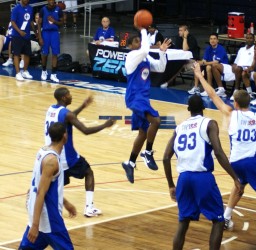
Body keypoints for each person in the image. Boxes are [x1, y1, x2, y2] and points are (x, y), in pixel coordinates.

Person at [194, 62, 256, 247]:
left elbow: (211, 94)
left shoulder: (229, 113)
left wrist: (200, 76)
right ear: (250, 103)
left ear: (234, 103)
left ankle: (225, 217)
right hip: (251, 161)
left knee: (239, 186)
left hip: (234, 163)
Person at [163, 94, 242, 250]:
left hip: (183, 178)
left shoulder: (179, 128)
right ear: (204, 108)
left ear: (188, 109)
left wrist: (171, 185)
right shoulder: (209, 124)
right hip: (202, 177)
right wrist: (235, 177)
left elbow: (165, 158)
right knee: (218, 220)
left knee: (183, 222)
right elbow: (218, 152)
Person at [44, 87, 115, 216]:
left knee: (54, 183)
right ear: (64, 97)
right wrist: (105, 125)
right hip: (67, 156)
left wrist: (82, 106)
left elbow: (69, 116)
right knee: (88, 172)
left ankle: (45, 202)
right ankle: (89, 207)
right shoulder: (67, 114)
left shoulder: (51, 110)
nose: (71, 96)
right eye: (69, 95)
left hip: (51, 155)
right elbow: (85, 131)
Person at [121, 23, 172, 184]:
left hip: (143, 98)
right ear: (130, 46)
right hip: (135, 97)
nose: (139, 44)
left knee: (143, 132)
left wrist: (162, 52)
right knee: (156, 121)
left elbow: (161, 67)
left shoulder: (145, 57)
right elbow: (144, 49)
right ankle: (148, 152)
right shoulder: (131, 57)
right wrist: (143, 30)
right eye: (135, 42)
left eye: (139, 41)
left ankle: (130, 162)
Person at [19, 122, 76, 249]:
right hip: (49, 217)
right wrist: (35, 225)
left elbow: (45, 186)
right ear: (64, 136)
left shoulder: (42, 151)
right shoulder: (52, 161)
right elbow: (41, 192)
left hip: (36, 211)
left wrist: (65, 203)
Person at [160, 24, 199, 88]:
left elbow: (185, 49)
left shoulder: (191, 38)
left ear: (186, 31)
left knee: (180, 64)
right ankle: (162, 80)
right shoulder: (178, 38)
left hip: (192, 60)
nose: (179, 32)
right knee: (170, 62)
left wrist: (185, 37)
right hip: (181, 59)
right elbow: (177, 50)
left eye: (181, 30)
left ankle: (167, 82)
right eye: (179, 30)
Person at [38, 0, 63, 83]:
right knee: (44, 53)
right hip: (45, 32)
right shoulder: (43, 9)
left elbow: (62, 22)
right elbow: (39, 23)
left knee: (55, 53)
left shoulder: (58, 9)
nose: (52, 1)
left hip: (54, 33)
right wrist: (40, 37)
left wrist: (54, 21)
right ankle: (44, 70)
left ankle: (53, 74)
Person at [10, 0, 36, 81]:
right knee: (17, 54)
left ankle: (25, 71)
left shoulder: (30, 8)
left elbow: (31, 21)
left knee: (27, 54)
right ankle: (18, 73)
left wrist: (35, 31)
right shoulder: (16, 8)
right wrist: (19, 31)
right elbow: (12, 22)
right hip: (17, 35)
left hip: (26, 35)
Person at [230, 33, 255, 100]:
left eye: (250, 38)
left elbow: (254, 64)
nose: (249, 39)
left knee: (238, 69)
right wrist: (234, 66)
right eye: (247, 38)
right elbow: (236, 62)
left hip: (249, 69)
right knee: (237, 68)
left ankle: (236, 90)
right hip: (239, 68)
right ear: (245, 39)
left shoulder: (255, 50)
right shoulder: (241, 49)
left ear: (253, 39)